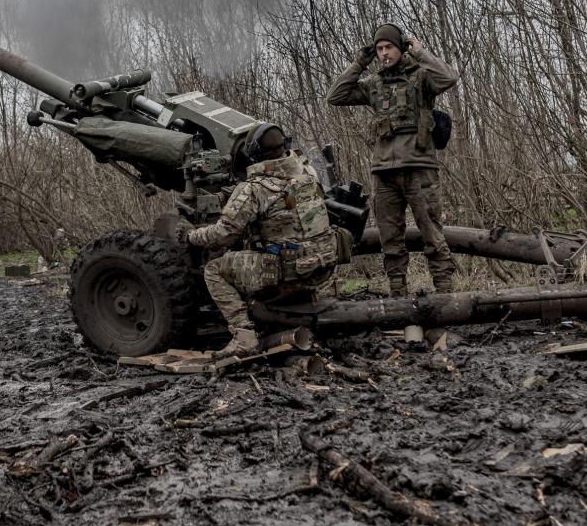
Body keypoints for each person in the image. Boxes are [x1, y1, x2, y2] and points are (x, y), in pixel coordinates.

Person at [186, 123, 347, 357]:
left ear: (253, 154)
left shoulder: (254, 189)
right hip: (322, 268)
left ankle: (244, 336)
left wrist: (192, 236)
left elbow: (223, 235)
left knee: (214, 270)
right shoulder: (307, 172)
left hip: (288, 274)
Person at [327, 23, 458, 296]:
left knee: (432, 233)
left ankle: (445, 294)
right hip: (384, 172)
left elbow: (448, 78)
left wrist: (421, 53)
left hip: (419, 168)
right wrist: (360, 62)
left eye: (389, 47)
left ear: (401, 48)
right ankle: (398, 294)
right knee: (390, 238)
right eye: (380, 49)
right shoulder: (374, 84)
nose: (384, 53)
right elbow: (335, 96)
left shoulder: (422, 77)